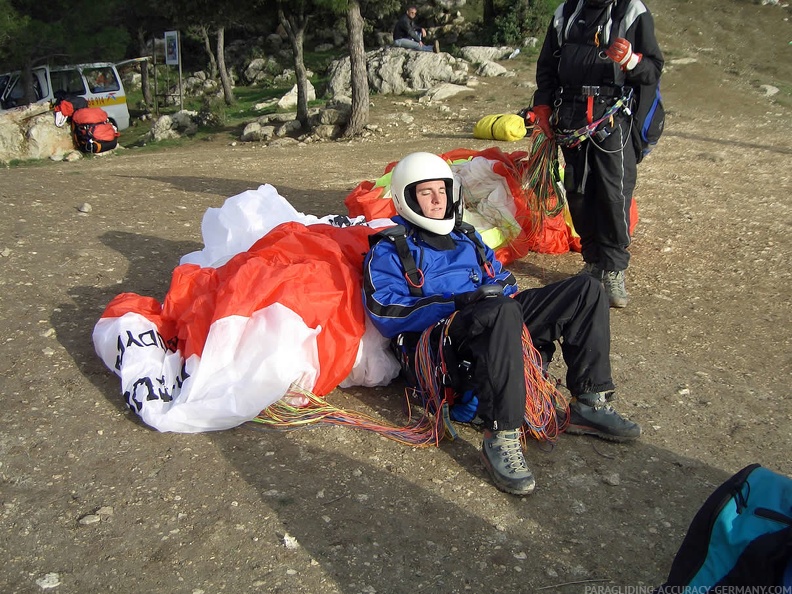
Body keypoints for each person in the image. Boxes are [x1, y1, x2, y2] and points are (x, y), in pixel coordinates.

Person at [363, 152, 641, 496]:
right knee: (500, 310)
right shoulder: (390, 249)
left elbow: (505, 282)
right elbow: (386, 312)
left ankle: (589, 401)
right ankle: (501, 436)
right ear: (407, 198)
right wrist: (458, 302)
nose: (437, 200)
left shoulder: (467, 237)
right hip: (444, 341)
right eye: (425, 193)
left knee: (586, 290)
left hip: (494, 319)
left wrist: (494, 301)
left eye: (442, 190)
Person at [531, 0, 664, 308]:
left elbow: (653, 69)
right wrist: (543, 105)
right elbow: (548, 66)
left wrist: (632, 60)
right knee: (577, 192)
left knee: (614, 192)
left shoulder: (632, 12)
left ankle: (614, 268)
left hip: (612, 118)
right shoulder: (565, 12)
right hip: (571, 118)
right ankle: (593, 263)